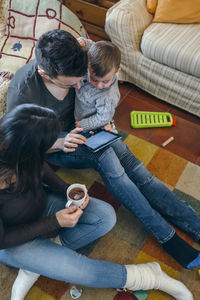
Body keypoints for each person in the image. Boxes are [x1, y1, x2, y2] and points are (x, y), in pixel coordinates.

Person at [6, 29, 200, 270]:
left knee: (135, 168)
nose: (81, 85)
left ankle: (193, 224)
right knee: (108, 158)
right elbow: (21, 149)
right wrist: (59, 143)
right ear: (45, 73)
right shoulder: (24, 93)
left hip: (88, 129)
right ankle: (167, 237)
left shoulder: (76, 57)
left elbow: (103, 66)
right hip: (56, 144)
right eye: (72, 83)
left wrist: (102, 120)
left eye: (82, 77)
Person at [0, 104, 192, 300]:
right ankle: (151, 276)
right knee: (81, 270)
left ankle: (39, 262)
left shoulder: (17, 146)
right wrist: (54, 222)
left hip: (40, 204)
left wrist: (66, 189)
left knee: (104, 216)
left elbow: (41, 168)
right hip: (10, 240)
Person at [74, 38, 121, 132]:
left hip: (94, 124)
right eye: (94, 79)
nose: (99, 85)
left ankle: (111, 130)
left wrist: (83, 124)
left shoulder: (108, 96)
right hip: (80, 111)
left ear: (117, 71)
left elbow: (103, 118)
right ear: (88, 63)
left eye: (105, 81)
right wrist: (84, 43)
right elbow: (92, 46)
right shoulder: (92, 59)